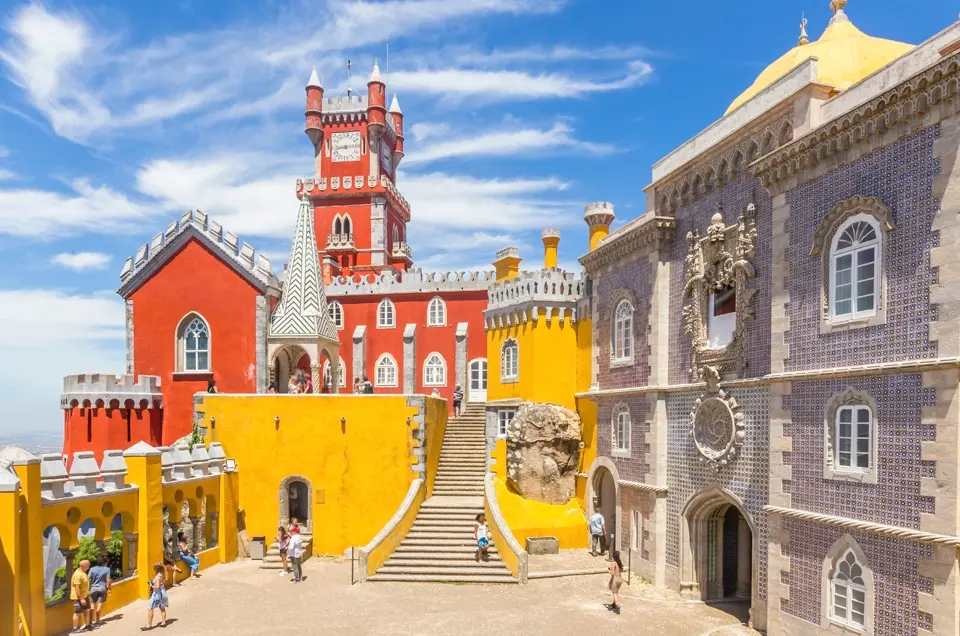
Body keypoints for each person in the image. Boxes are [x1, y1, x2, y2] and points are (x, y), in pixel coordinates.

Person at [88, 555, 113, 626]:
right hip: (102, 588)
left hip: (93, 588)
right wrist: (109, 589)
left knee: (92, 605)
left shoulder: (92, 569)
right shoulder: (107, 569)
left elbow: (88, 578)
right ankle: (98, 620)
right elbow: (108, 580)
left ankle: (90, 622)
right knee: (99, 606)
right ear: (104, 562)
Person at [70, 558, 92, 633]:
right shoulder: (78, 575)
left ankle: (87, 625)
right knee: (77, 612)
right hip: (78, 597)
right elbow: (77, 587)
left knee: (87, 610)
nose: (89, 566)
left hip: (85, 595)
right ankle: (75, 628)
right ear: (84, 566)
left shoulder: (83, 572)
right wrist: (81, 598)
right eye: (88, 565)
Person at [144, 562, 168, 630]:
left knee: (150, 608)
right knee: (162, 607)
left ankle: (149, 625)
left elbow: (157, 587)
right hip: (163, 593)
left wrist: (151, 585)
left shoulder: (157, 577)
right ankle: (163, 622)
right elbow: (161, 584)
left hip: (157, 594)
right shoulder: (162, 575)